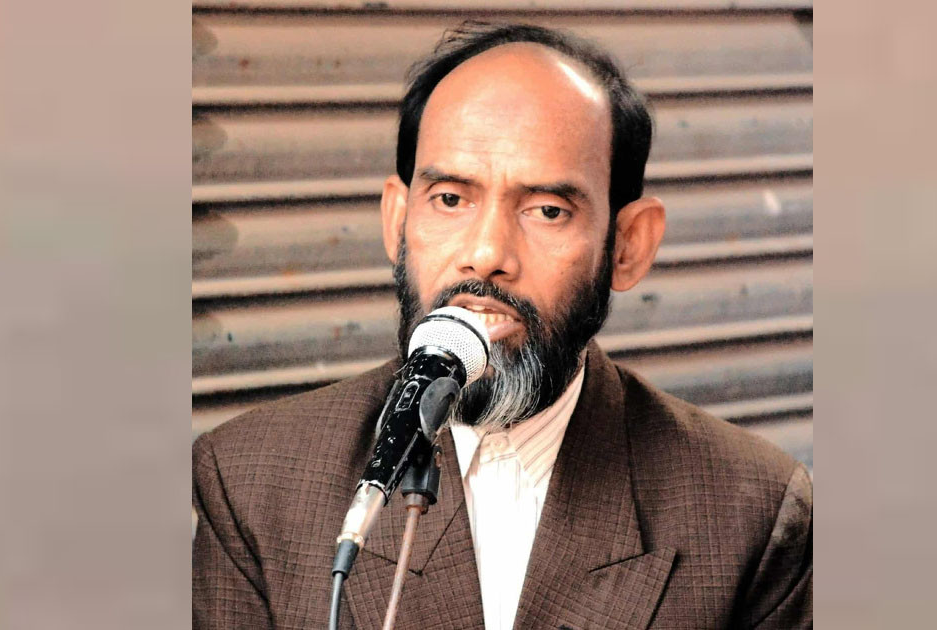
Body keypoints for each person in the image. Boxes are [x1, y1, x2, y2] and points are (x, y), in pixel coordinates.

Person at [193, 22, 811, 630]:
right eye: (450, 199)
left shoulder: (750, 511)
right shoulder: (251, 482)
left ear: (628, 246)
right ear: (397, 222)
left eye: (547, 210)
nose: (486, 253)